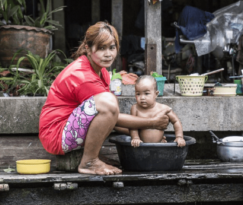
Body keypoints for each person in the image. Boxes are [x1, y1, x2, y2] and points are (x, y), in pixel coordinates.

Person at [39, 22, 171, 175]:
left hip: (71, 128)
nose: (108, 54)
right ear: (88, 49)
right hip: (56, 135)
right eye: (101, 48)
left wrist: (145, 134)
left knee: (109, 103)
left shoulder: (102, 72)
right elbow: (110, 112)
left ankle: (92, 157)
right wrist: (152, 123)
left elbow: (109, 118)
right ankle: (89, 162)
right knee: (108, 101)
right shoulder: (82, 75)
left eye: (112, 47)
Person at [130, 76, 186, 148]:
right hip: (141, 145)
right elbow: (132, 125)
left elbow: (176, 121)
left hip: (160, 145)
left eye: (146, 93)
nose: (142, 97)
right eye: (138, 94)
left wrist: (179, 137)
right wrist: (135, 138)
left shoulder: (163, 108)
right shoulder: (135, 108)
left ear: (156, 94)